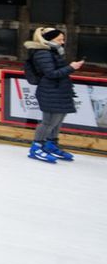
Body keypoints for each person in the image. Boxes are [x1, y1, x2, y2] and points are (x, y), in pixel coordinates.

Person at [25, 27, 86, 163]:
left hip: (59, 91)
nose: (62, 42)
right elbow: (51, 73)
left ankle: (50, 145)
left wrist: (71, 68)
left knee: (57, 121)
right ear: (49, 39)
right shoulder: (42, 53)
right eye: (59, 39)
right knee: (48, 122)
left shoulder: (54, 52)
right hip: (50, 91)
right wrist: (71, 67)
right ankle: (36, 147)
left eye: (63, 39)